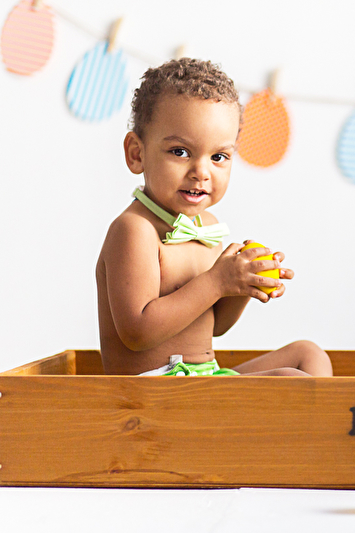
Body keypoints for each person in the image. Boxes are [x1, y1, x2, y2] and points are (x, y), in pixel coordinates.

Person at [95, 58, 332, 377]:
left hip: (204, 379)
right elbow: (137, 333)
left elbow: (216, 325)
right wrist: (217, 281)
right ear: (137, 154)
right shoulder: (135, 230)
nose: (201, 172)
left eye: (218, 156)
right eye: (180, 152)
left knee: (308, 354)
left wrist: (242, 284)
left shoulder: (206, 226)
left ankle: (315, 413)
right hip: (155, 391)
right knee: (290, 381)